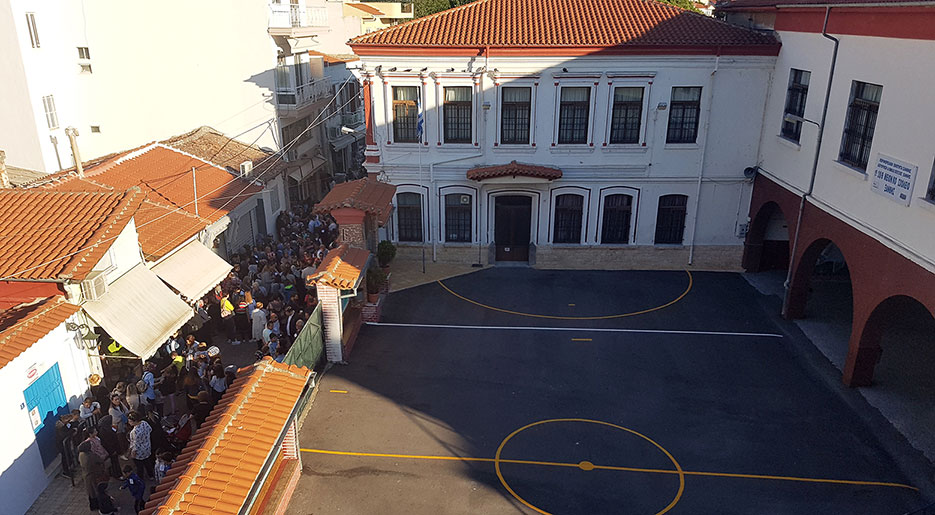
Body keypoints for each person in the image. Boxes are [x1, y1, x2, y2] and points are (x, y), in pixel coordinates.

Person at [77, 440, 106, 511]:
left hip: (86, 475)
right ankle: (99, 505)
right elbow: (100, 460)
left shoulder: (81, 454)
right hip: (93, 475)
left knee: (90, 492)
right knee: (96, 491)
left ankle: (93, 506)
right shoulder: (90, 456)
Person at [127, 411, 153, 479]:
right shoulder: (144, 423)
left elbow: (135, 444)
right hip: (147, 447)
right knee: (147, 462)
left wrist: (132, 452)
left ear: (135, 421)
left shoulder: (134, 432)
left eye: (130, 421)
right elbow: (150, 429)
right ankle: (151, 475)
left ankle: (141, 478)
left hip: (139, 451)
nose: (129, 422)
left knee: (139, 466)